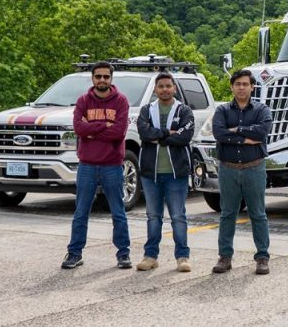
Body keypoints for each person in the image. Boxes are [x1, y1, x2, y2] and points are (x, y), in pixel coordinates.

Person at [62, 61, 131, 270]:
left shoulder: (121, 101)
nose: (102, 80)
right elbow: (78, 128)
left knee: (118, 211)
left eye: (106, 77)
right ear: (92, 78)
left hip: (112, 164)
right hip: (87, 165)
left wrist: (92, 130)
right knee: (81, 211)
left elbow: (119, 132)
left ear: (111, 78)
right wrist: (102, 126)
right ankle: (74, 253)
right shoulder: (83, 101)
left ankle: (123, 254)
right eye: (98, 76)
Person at [211, 69, 273, 275]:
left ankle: (262, 257)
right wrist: (246, 138)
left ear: (252, 87)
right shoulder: (222, 110)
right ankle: (225, 257)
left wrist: (235, 130)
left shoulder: (262, 109)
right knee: (227, 214)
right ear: (231, 87)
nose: (241, 87)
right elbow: (218, 133)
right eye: (237, 84)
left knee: (258, 214)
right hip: (228, 169)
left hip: (254, 167)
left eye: (245, 84)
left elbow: (262, 131)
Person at [135, 73, 196, 272]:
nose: (165, 89)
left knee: (178, 216)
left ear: (174, 88)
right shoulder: (146, 110)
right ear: (155, 89)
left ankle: (182, 257)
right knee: (153, 216)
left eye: (168, 86)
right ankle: (150, 256)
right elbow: (144, 133)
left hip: (175, 173)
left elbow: (184, 136)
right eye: (160, 86)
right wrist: (168, 133)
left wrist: (158, 136)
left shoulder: (184, 110)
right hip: (150, 173)